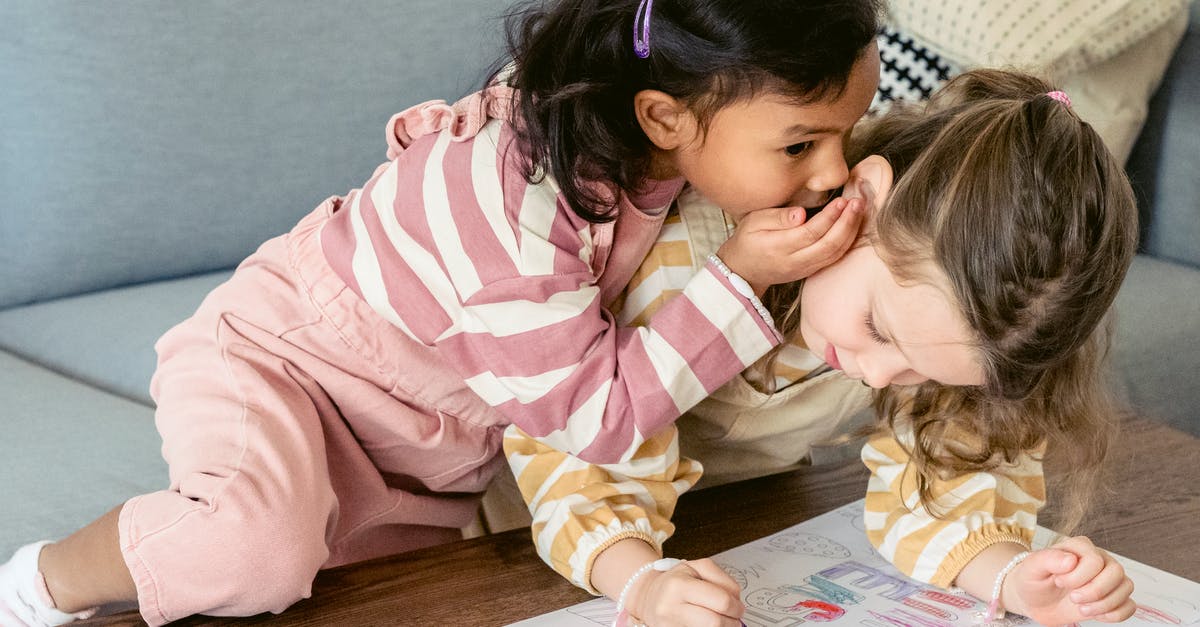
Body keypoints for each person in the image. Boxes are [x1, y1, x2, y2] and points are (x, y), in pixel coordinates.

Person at [0, 1, 884, 625]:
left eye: (847, 133)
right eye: (802, 144)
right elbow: (592, 417)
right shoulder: (510, 199)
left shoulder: (655, 141)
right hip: (288, 368)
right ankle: (39, 582)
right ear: (664, 115)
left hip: (429, 455)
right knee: (245, 549)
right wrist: (738, 275)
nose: (834, 171)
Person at [503, 68, 1140, 627]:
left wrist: (1013, 576)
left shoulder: (942, 318)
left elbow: (949, 480)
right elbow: (581, 454)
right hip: (524, 540)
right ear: (861, 199)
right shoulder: (678, 256)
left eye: (921, 369)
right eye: (882, 331)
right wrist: (640, 581)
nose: (882, 371)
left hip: (734, 531)